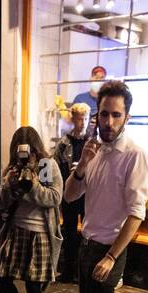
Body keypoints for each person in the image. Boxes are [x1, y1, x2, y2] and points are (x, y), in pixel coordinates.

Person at [61, 80, 148, 293]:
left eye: (116, 115)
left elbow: (136, 214)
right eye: (104, 114)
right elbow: (70, 195)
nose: (109, 121)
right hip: (87, 243)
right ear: (96, 115)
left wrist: (112, 256)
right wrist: (83, 164)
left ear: (127, 117)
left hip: (109, 248)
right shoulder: (94, 150)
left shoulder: (134, 155)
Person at [0, 126, 62, 293]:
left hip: (39, 233)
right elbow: (0, 203)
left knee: (33, 285)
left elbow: (53, 197)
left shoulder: (44, 165)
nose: (25, 156)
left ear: (36, 148)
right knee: (1, 277)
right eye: (20, 151)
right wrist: (9, 186)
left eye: (29, 151)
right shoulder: (12, 168)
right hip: (15, 231)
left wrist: (32, 185)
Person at [52, 102, 90, 282]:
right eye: (80, 118)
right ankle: (68, 271)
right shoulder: (63, 143)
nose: (83, 122)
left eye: (85, 118)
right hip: (69, 192)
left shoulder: (94, 143)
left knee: (88, 233)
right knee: (69, 231)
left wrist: (85, 168)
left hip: (89, 194)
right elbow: (56, 169)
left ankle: (83, 272)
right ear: (73, 119)